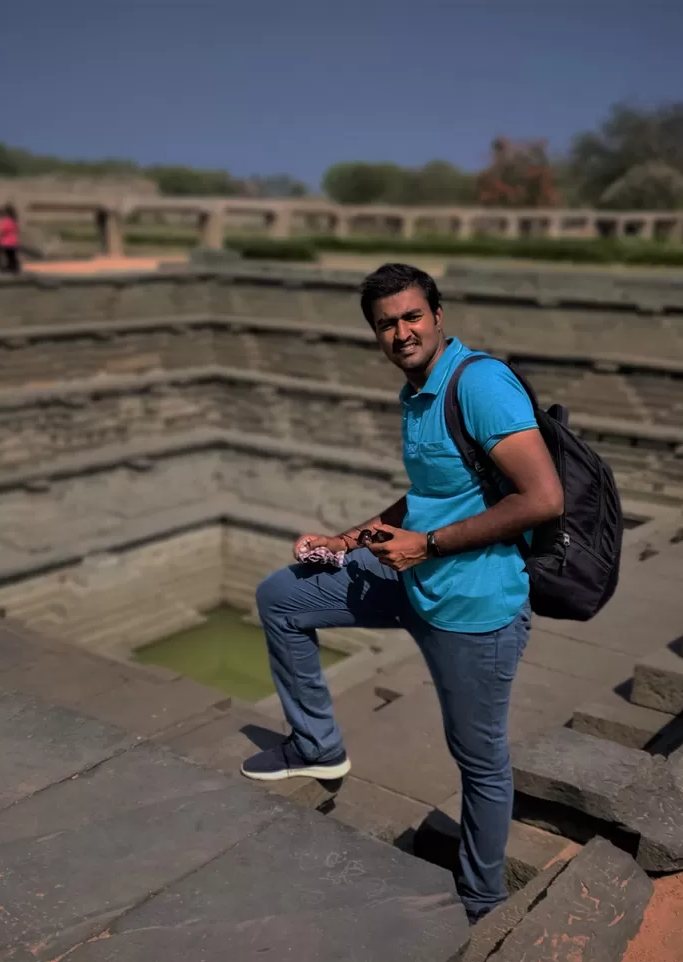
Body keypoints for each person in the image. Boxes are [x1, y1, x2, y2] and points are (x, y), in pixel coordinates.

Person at [242, 263, 564, 927]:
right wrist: (345, 541)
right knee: (283, 596)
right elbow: (428, 495)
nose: (401, 331)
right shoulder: (417, 393)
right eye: (386, 323)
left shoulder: (479, 384)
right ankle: (318, 747)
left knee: (480, 762)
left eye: (412, 316)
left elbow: (542, 497)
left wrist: (430, 545)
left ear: (439, 316)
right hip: (411, 578)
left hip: (474, 610)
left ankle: (481, 900)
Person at [0, 204, 20, 273]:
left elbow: (2, 230)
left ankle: (9, 267)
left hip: (6, 242)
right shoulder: (14, 220)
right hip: (13, 242)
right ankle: (14, 268)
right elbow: (17, 230)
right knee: (12, 256)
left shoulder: (5, 220)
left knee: (7, 256)